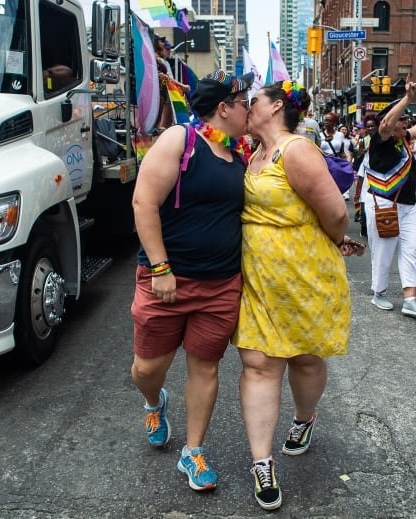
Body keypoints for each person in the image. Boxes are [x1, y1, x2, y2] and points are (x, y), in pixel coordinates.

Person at [232, 80, 360, 511]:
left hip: (305, 275)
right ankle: (262, 463)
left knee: (305, 357)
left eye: (254, 102)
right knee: (259, 362)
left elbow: (336, 213)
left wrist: (328, 244)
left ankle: (304, 419)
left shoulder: (297, 149)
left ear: (277, 107)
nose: (247, 109)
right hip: (259, 278)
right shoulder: (253, 155)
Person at [130, 70, 254, 492]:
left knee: (205, 367)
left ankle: (193, 451)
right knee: (148, 368)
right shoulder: (179, 141)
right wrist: (161, 268)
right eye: (244, 102)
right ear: (223, 108)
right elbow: (144, 202)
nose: (249, 109)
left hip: (220, 285)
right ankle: (153, 402)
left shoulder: (239, 153)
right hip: (167, 282)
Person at [361, 80, 416, 315]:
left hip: (408, 206)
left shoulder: (403, 138)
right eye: (402, 119)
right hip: (383, 204)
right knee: (384, 250)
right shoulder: (381, 140)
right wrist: (407, 97)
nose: (406, 123)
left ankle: (410, 299)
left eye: (407, 119)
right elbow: (386, 123)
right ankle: (379, 292)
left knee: (412, 248)